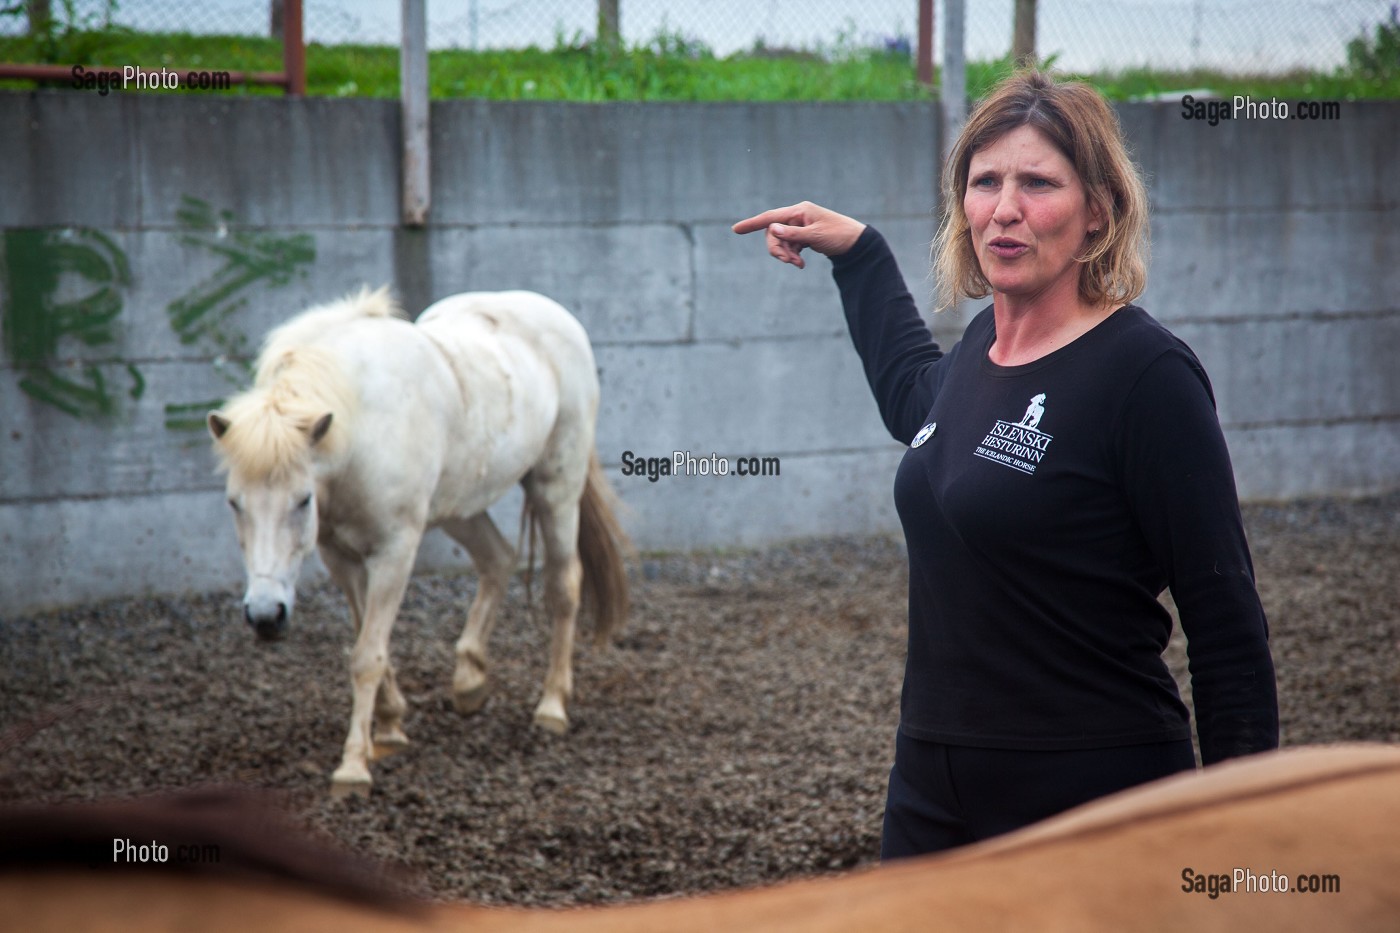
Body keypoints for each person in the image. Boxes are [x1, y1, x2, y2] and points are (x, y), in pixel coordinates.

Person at [733, 71, 1278, 859]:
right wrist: (860, 254)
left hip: (1090, 797)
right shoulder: (976, 356)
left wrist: (1242, 840)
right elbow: (912, 400)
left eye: (1038, 183)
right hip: (928, 783)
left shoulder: (1145, 375)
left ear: (1099, 211)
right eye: (984, 182)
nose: (1005, 208)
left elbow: (1226, 625)